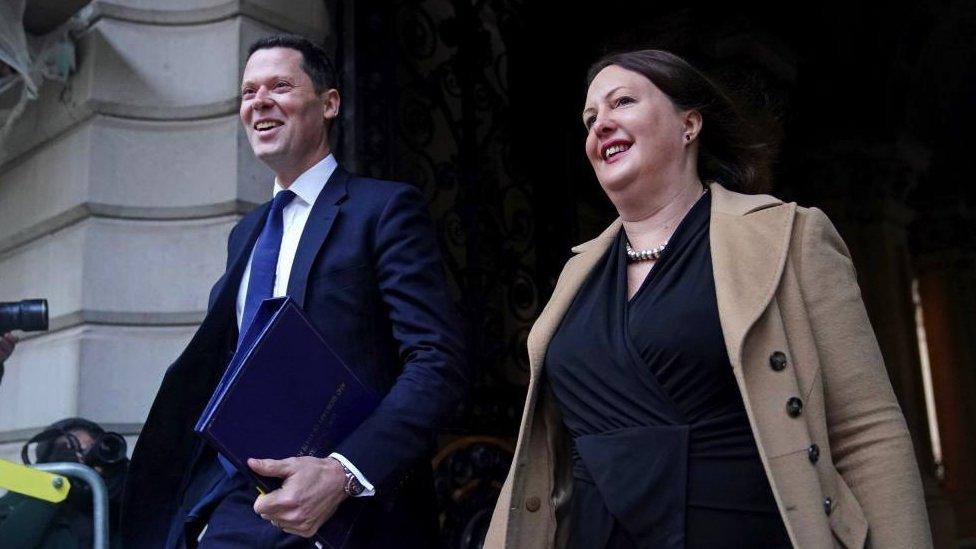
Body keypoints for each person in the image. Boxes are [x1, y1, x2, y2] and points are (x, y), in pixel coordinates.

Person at [485, 49, 932, 548]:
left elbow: (867, 430)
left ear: (689, 125)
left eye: (622, 103)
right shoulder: (576, 274)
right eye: (590, 118)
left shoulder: (790, 237)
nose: (600, 125)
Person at [121, 34, 468, 548]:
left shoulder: (384, 210)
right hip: (241, 502)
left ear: (329, 104)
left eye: (280, 86)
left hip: (352, 512)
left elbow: (437, 360)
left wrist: (344, 471)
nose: (259, 101)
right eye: (248, 92)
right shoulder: (246, 234)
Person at [0, 417, 129, 549]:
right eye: (67, 448)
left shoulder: (111, 504)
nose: (81, 458)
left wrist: (116, 476)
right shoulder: (20, 498)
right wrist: (54, 485)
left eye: (90, 449)